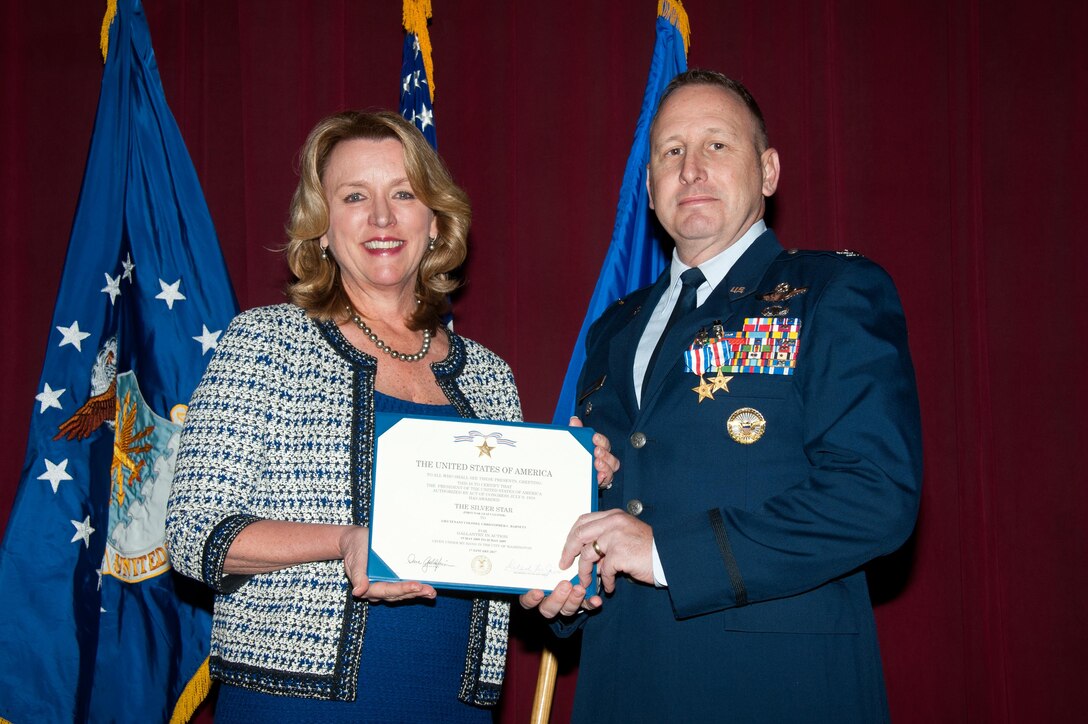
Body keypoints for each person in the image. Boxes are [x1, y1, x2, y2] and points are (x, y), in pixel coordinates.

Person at [166, 110, 618, 722]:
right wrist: (345, 541)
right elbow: (196, 535)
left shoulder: (488, 376)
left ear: (435, 222)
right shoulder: (264, 344)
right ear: (321, 229)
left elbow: (512, 562)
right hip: (295, 704)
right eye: (355, 196)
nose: (381, 218)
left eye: (403, 194)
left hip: (452, 705)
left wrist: (570, 498)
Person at [521, 70, 923, 722]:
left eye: (717, 145)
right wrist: (567, 580)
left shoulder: (832, 293)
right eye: (671, 152)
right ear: (649, 190)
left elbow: (873, 495)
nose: (691, 169)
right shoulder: (613, 329)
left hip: (773, 687)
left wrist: (662, 553)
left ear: (767, 171)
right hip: (621, 681)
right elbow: (610, 500)